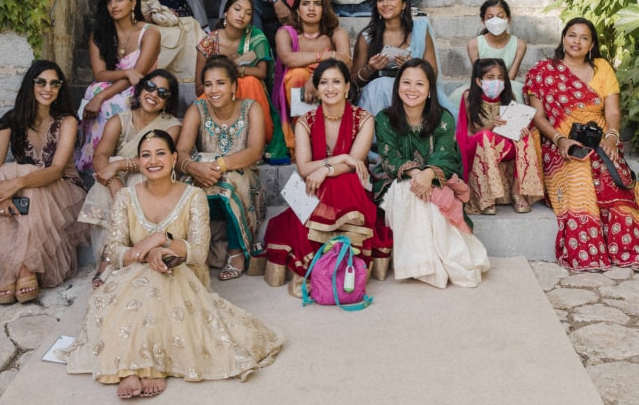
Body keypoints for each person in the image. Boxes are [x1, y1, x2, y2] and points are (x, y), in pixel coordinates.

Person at [67, 130, 282, 398]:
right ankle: (141, 366)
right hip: (134, 272)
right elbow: (115, 250)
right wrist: (148, 254)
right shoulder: (126, 197)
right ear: (139, 160)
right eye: (146, 155)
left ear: (173, 158)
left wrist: (162, 240)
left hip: (182, 273)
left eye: (160, 153)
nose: (153, 160)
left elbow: (198, 253)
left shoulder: (193, 197)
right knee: (141, 284)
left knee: (161, 280)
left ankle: (142, 366)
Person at [264, 59, 389, 296]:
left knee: (344, 181)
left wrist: (325, 170)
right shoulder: (305, 121)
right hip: (314, 189)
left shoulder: (364, 119)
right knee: (325, 183)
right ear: (317, 88)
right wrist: (338, 158)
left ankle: (343, 262)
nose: (330, 88)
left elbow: (355, 163)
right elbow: (303, 169)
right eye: (323, 83)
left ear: (347, 88)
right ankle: (325, 265)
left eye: (336, 82)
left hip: (352, 189)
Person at [0, 60, 86, 304]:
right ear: (30, 85)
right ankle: (21, 271)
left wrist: (15, 185)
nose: (47, 88)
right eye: (41, 82)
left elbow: (56, 170)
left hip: (63, 192)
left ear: (60, 88)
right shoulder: (10, 120)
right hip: (24, 194)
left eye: (54, 84)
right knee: (8, 174)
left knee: (20, 180)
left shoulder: (67, 120)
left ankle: (16, 272)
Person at [525, 18, 639, 271]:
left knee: (612, 177)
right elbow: (538, 117)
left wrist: (611, 136)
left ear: (591, 45)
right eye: (571, 35)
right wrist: (561, 139)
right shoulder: (543, 72)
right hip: (559, 143)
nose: (576, 41)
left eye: (584, 37)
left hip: (601, 140)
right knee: (579, 173)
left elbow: (613, 111)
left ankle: (626, 248)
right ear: (563, 38)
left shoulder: (601, 68)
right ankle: (588, 251)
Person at [373, 59, 489, 288]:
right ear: (398, 87)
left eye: (419, 84)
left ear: (429, 91)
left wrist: (428, 175)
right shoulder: (384, 119)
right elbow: (390, 158)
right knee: (409, 191)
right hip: (394, 181)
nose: (412, 89)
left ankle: (433, 263)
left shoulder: (443, 119)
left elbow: (447, 156)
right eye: (406, 82)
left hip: (438, 180)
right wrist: (419, 175)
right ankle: (420, 265)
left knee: (429, 195)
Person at [78, 69, 181, 284]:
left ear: (168, 101)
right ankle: (108, 258)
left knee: (138, 183)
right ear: (140, 89)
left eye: (162, 93)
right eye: (150, 87)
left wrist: (120, 166)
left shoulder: (171, 126)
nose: (154, 95)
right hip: (116, 178)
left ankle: (137, 254)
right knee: (101, 187)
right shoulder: (120, 120)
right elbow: (100, 156)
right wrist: (113, 181)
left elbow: (158, 162)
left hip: (151, 175)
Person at [176, 56, 266, 280]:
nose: (214, 90)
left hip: (242, 186)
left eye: (221, 83)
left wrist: (218, 166)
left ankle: (236, 252)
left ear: (234, 85)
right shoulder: (197, 110)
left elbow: (255, 151)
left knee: (230, 180)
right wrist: (194, 167)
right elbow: (181, 153)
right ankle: (187, 250)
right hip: (203, 181)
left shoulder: (251, 108)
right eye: (208, 84)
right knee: (185, 185)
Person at [75, 0, 161, 173]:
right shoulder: (99, 34)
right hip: (108, 83)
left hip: (140, 87)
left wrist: (101, 97)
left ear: (133, 3)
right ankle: (92, 163)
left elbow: (137, 76)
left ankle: (117, 161)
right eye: (109, 1)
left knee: (113, 103)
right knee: (94, 91)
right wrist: (125, 72)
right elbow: (100, 73)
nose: (113, 5)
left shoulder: (149, 33)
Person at [195, 0, 288, 162]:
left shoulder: (256, 37)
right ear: (225, 12)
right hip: (218, 100)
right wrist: (221, 83)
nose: (242, 15)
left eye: (248, 13)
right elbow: (199, 88)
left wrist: (236, 72)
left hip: (250, 94)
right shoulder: (208, 43)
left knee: (249, 82)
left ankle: (255, 141)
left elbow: (262, 72)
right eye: (237, 9)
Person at [352, 0, 456, 120]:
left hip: (414, 94)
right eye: (380, 0)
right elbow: (353, 80)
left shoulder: (420, 32)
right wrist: (370, 69)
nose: (385, 4)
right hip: (376, 99)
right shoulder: (367, 37)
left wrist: (412, 67)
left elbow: (433, 73)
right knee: (383, 84)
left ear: (404, 4)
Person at [456, 58, 543, 216]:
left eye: (501, 77)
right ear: (479, 81)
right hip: (477, 145)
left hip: (501, 145)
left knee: (526, 136)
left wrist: (521, 131)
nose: (497, 81)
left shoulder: (510, 97)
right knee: (485, 135)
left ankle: (517, 191)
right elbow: (476, 131)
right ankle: (485, 197)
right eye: (490, 77)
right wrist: (493, 125)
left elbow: (513, 129)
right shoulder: (469, 96)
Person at [273, 0, 351, 155]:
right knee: (298, 74)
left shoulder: (336, 33)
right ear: (297, 10)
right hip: (293, 90)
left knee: (329, 78)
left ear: (324, 9)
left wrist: (317, 76)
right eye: (305, 3)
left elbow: (345, 61)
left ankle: (325, 138)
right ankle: (301, 140)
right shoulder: (286, 33)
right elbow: (288, 59)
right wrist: (325, 56)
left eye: (317, 4)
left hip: (329, 85)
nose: (311, 8)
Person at [452, 0, 527, 103]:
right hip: (482, 85)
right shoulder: (474, 44)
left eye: (500, 16)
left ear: (508, 19)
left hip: (508, 85)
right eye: (490, 17)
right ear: (483, 21)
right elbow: (479, 74)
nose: (495, 21)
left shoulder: (519, 44)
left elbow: (510, 78)